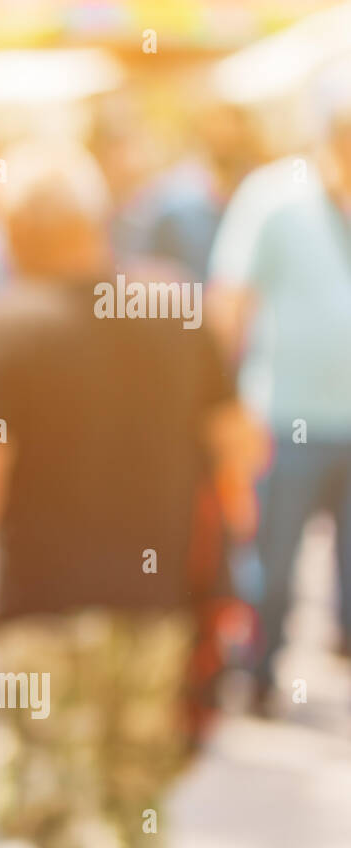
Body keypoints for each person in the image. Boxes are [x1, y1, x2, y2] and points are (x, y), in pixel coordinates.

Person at [0, 142, 248, 848]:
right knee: (137, 801)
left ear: (14, 235)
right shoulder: (172, 305)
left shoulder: (7, 328)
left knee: (51, 811)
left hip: (44, 608)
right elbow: (240, 449)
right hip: (159, 604)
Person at [208, 69, 351, 711]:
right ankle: (260, 675)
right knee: (272, 560)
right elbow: (229, 304)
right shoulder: (272, 197)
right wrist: (220, 406)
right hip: (283, 420)